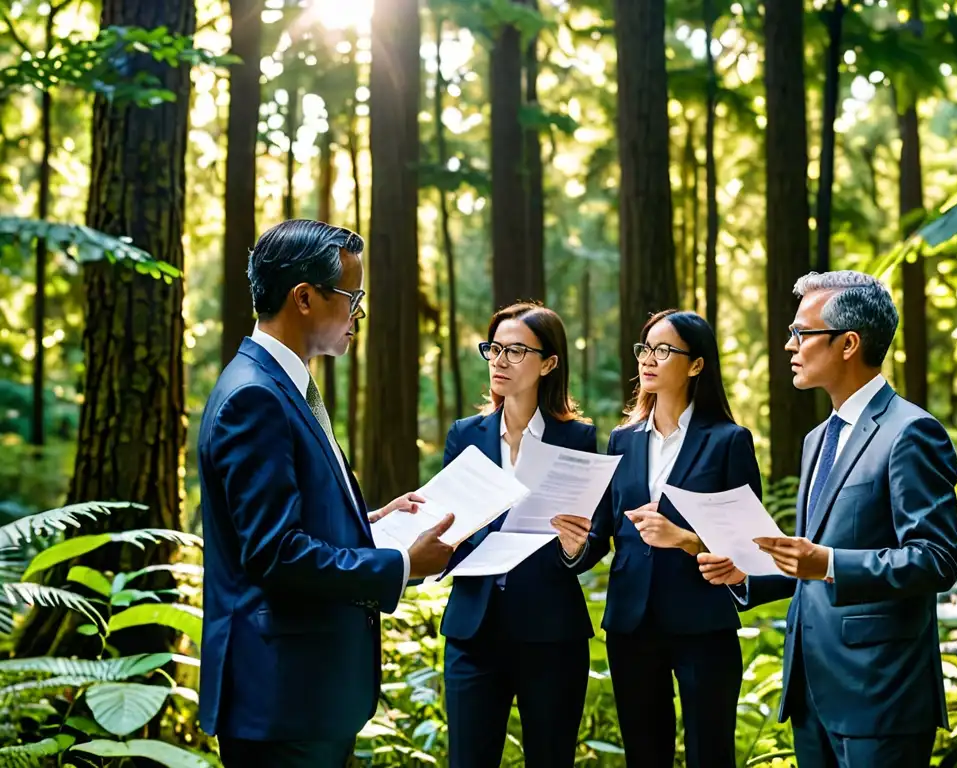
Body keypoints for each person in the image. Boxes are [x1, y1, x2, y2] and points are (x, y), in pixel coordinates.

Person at [197, 219, 455, 768]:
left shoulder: (277, 383)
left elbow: (281, 516)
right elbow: (274, 551)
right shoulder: (256, 398)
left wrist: (367, 519)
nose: (359, 311)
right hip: (282, 698)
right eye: (353, 295)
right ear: (305, 298)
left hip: (300, 695)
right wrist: (401, 566)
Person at [698, 270, 957, 768]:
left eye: (802, 332)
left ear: (849, 343)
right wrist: (748, 572)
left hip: (881, 697)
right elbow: (815, 557)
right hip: (810, 691)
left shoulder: (912, 432)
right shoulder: (817, 439)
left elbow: (936, 559)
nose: (788, 345)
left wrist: (829, 562)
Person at [572, 309, 762, 767]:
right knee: (644, 755)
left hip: (703, 624)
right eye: (645, 349)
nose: (648, 360)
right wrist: (573, 544)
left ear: (696, 365)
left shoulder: (728, 441)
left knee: (710, 754)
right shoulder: (622, 441)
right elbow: (602, 532)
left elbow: (750, 544)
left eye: (664, 350)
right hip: (630, 624)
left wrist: (685, 538)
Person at [440, 302, 597, 768]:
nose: (500, 361)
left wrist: (576, 548)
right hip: (473, 629)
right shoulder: (465, 436)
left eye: (515, 351)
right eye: (494, 349)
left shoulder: (579, 439)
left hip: (551, 633)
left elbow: (594, 537)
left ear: (549, 363)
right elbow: (450, 525)